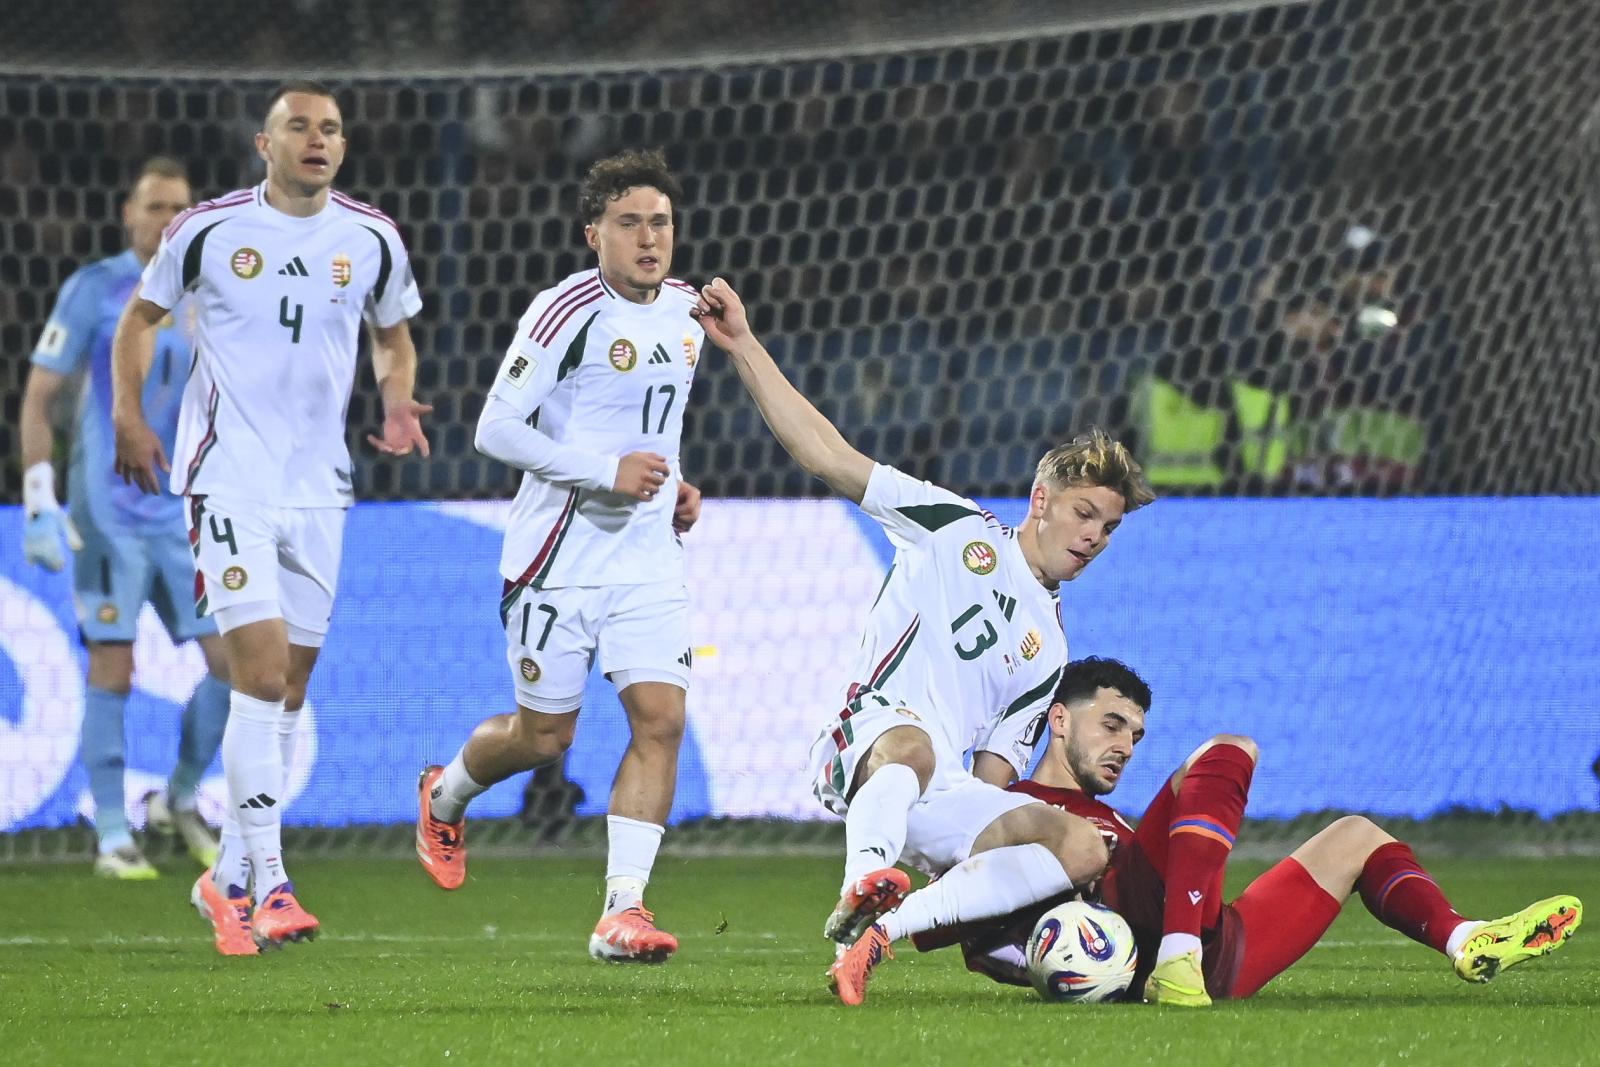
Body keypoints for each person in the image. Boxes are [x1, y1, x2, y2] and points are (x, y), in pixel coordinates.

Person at [689, 277, 1155, 1004]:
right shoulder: (953, 526)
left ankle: (880, 933)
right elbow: (829, 454)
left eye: (1109, 527)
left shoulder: (1051, 651)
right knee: (915, 746)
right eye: (1084, 513)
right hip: (869, 739)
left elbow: (992, 776)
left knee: (1079, 845)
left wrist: (984, 860)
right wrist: (744, 345)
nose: (1094, 536)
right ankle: (860, 889)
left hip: (941, 787)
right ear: (1041, 500)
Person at [111, 82, 429, 955]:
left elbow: (393, 335)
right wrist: (129, 416)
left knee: (290, 685)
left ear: (343, 145)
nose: (317, 139)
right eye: (299, 127)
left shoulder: (371, 237)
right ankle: (273, 882)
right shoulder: (208, 229)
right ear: (265, 143)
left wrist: (396, 397)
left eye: (331, 128)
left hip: (319, 487)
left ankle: (224, 881)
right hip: (229, 480)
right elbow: (138, 321)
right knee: (257, 671)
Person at [416, 149, 705, 965]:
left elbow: (653, 425)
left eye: (660, 222)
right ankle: (445, 793)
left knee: (662, 719)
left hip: (646, 560)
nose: (648, 238)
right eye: (628, 223)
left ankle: (624, 907)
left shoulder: (689, 311)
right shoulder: (566, 309)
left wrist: (675, 484)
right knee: (545, 737)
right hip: (557, 560)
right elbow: (495, 428)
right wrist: (604, 472)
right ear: (593, 234)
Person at [914, 656, 1585, 1004]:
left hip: (1206, 951)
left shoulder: (1116, 824)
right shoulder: (1014, 806)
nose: (1124, 746)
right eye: (1111, 725)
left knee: (1356, 835)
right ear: (1059, 720)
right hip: (1122, 946)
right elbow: (955, 925)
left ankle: (1465, 938)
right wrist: (1043, 962)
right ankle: (1177, 960)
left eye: (1136, 736)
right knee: (1227, 750)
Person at [20, 157, 232, 880]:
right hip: (108, 512)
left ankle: (178, 798)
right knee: (113, 662)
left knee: (233, 663)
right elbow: (38, 396)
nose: (166, 220)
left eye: (179, 208)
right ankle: (112, 832)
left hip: (183, 513)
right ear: (128, 215)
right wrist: (40, 498)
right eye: (154, 207)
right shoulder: (95, 288)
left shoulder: (205, 295)